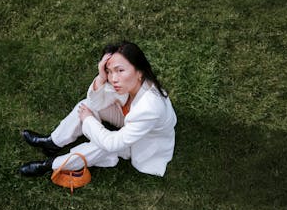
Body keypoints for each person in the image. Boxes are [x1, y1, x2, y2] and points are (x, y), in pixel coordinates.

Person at [19, 41, 177, 177]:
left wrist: (88, 120)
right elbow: (93, 103)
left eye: (120, 70)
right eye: (109, 71)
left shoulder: (149, 107)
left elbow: (112, 144)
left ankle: (50, 165)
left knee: (101, 147)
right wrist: (102, 77)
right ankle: (53, 143)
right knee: (85, 105)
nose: (113, 79)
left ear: (139, 71)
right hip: (127, 117)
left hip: (142, 141)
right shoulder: (132, 82)